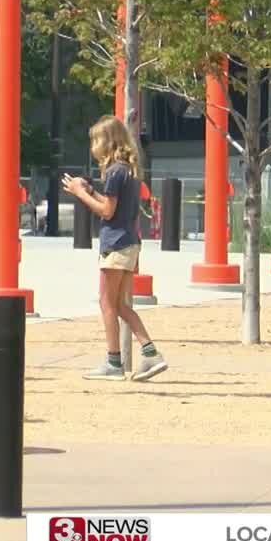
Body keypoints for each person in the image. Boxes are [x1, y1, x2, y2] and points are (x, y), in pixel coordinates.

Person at [62, 115, 167, 382]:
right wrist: (90, 190)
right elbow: (113, 206)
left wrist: (80, 193)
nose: (93, 146)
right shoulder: (127, 170)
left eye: (96, 141)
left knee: (107, 303)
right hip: (129, 242)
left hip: (116, 244)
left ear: (107, 141)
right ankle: (150, 353)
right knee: (119, 304)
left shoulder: (114, 171)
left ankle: (114, 362)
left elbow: (107, 212)